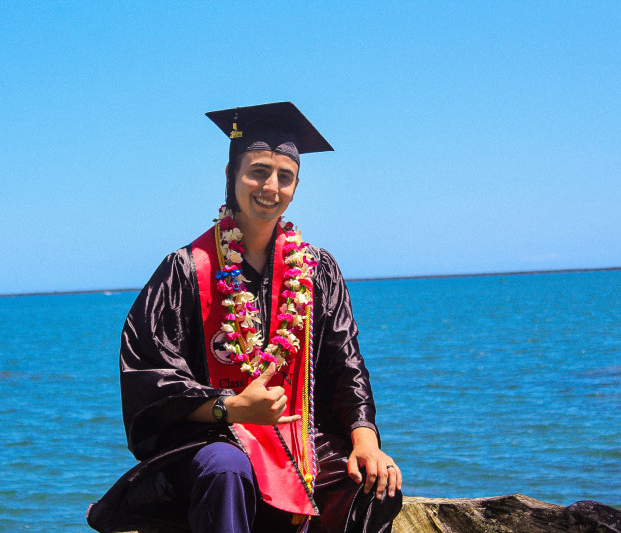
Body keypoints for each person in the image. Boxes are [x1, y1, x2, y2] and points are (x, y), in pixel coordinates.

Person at [87, 102, 402, 533]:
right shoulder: (186, 269)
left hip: (299, 438)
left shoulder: (316, 270)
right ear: (231, 176)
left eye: (285, 177)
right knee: (226, 469)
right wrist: (232, 407)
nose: (270, 186)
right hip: (215, 437)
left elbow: (345, 363)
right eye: (257, 171)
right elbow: (149, 378)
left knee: (373, 483)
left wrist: (365, 438)